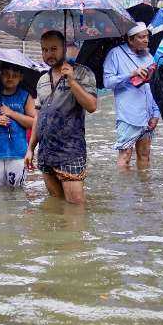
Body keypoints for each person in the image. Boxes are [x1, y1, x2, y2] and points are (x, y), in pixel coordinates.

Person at [25, 30, 98, 205]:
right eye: (44, 50)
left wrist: (72, 81)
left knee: (75, 207)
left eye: (53, 49)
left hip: (70, 152)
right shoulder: (42, 79)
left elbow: (92, 106)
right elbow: (38, 116)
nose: (48, 54)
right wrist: (30, 148)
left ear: (64, 47)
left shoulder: (82, 73)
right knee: (55, 205)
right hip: (46, 153)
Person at [103, 22, 160, 168]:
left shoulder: (148, 56)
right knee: (125, 156)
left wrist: (156, 113)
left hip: (147, 114)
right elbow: (108, 82)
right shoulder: (115, 54)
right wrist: (130, 74)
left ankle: (144, 190)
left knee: (145, 155)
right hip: (128, 115)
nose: (146, 40)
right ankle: (124, 190)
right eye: (141, 37)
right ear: (130, 39)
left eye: (147, 36)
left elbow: (153, 86)